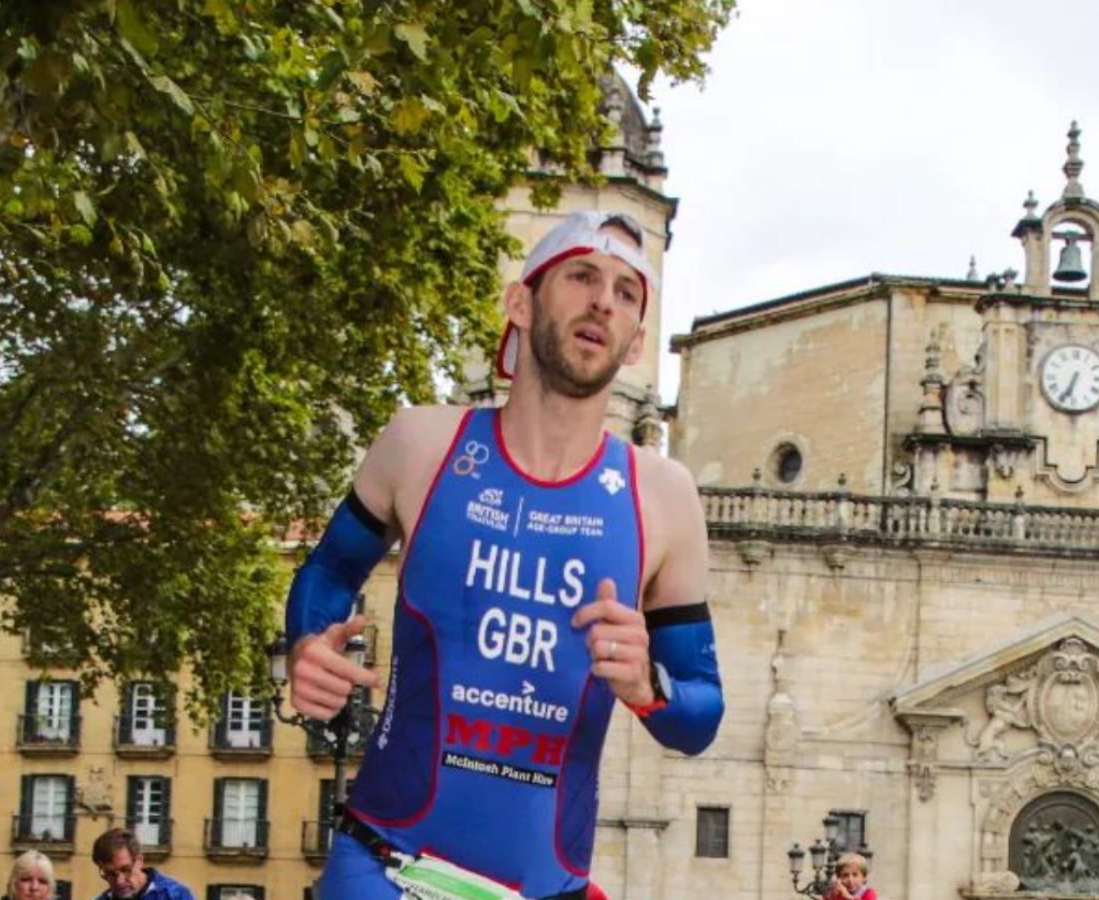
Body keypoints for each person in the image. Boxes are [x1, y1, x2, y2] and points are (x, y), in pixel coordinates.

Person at [288, 210, 725, 900]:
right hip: (384, 868)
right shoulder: (421, 445)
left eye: (626, 291)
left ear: (638, 340)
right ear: (520, 301)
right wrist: (307, 644)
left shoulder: (664, 498)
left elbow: (701, 715)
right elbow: (329, 571)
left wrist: (648, 685)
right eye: (582, 275)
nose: (602, 301)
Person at [91, 829, 194, 900]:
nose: (119, 881)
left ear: (139, 861)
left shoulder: (175, 895)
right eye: (110, 874)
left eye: (125, 869)